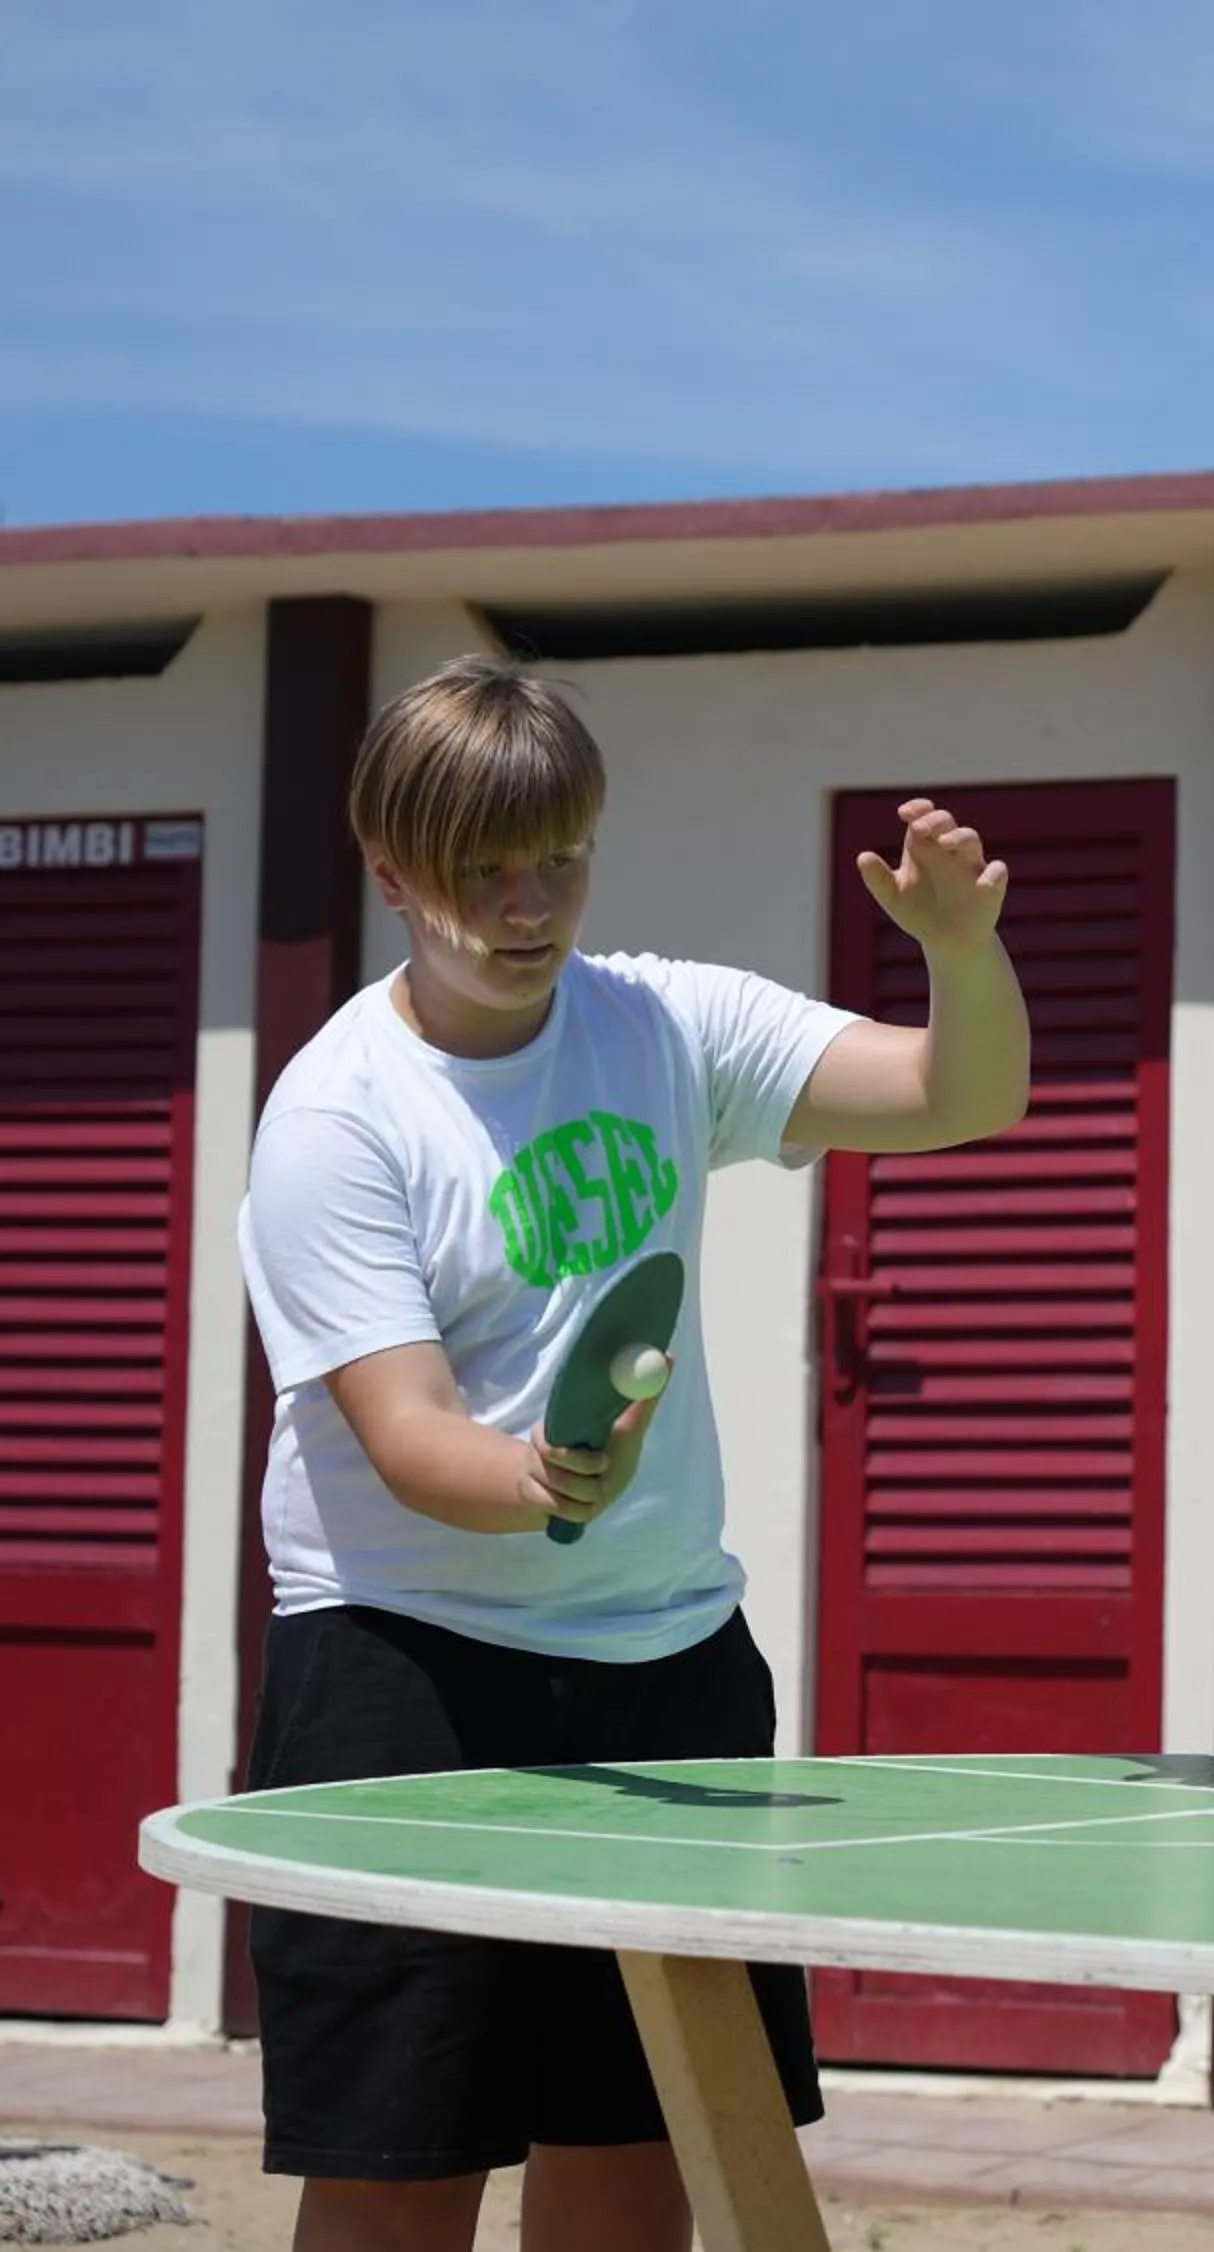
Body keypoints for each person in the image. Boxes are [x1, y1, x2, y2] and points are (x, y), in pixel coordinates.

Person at [234, 652, 1031, 2252]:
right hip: (406, 1676)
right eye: (483, 871)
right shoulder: (339, 1116)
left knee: (637, 2154)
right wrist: (540, 1482)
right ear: (391, 873)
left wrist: (963, 956)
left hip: (672, 1665)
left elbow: (967, 1095)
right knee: (401, 2179)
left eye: (563, 857)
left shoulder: (668, 1020)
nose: (532, 903)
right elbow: (405, 1438)